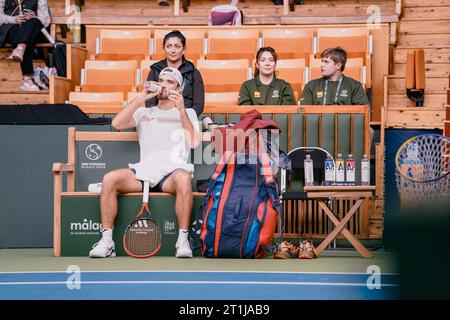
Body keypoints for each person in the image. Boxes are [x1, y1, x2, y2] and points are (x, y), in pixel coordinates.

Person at [89, 67, 201, 259]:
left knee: (183, 178)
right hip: (145, 173)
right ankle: (107, 241)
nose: (164, 85)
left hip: (171, 174)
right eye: (161, 80)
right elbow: (116, 124)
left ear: (179, 89)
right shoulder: (144, 112)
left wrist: (181, 110)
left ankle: (182, 240)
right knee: (110, 179)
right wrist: (142, 97)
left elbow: (194, 142)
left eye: (170, 82)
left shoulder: (188, 113)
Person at [146, 30, 205, 116]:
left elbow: (199, 105)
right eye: (168, 46)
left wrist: (185, 116)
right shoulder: (155, 70)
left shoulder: (193, 72)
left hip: (186, 117)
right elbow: (149, 102)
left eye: (177, 46)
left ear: (184, 49)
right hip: (159, 118)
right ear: (163, 48)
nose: (173, 50)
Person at [0, 0, 51, 92]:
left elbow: (46, 20)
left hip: (33, 28)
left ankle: (20, 49)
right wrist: (14, 19)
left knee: (34, 22)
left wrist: (36, 17)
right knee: (27, 37)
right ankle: (26, 78)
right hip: (11, 29)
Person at [300, 47, 369, 106]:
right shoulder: (311, 86)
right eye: (322, 61)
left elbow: (361, 114)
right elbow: (305, 113)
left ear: (338, 65)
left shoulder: (355, 86)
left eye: (326, 62)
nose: (322, 65)